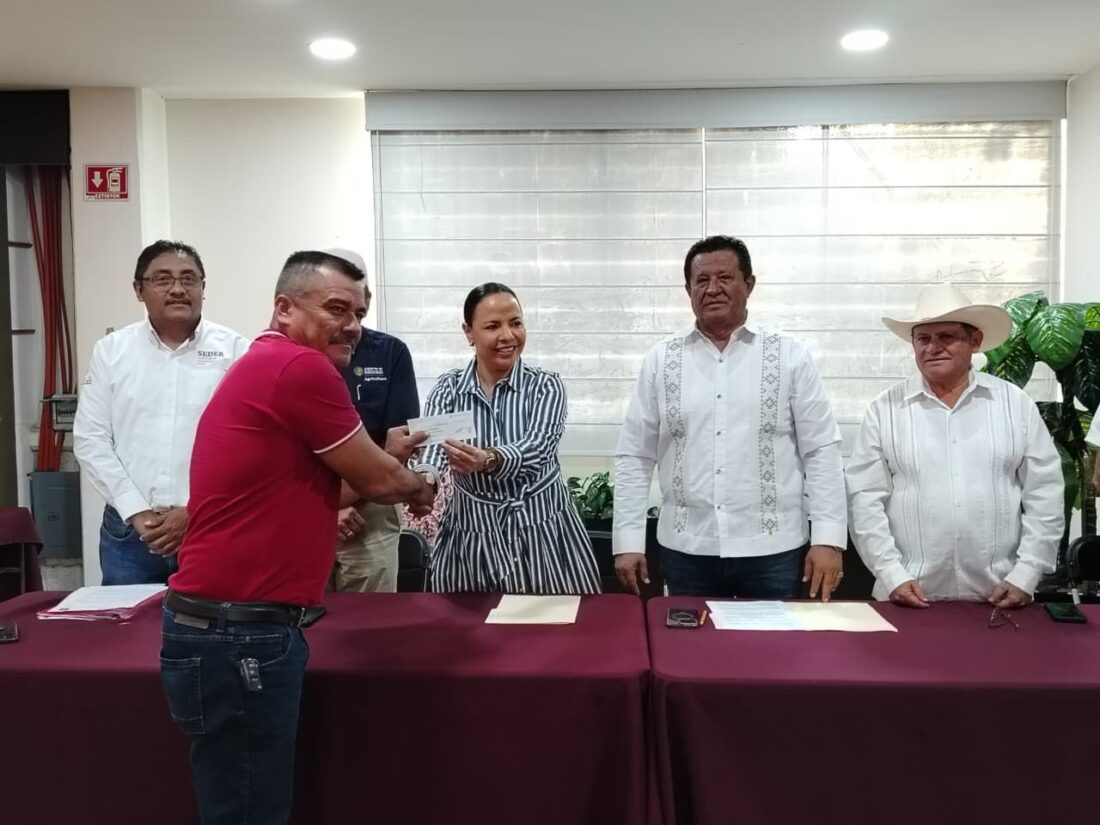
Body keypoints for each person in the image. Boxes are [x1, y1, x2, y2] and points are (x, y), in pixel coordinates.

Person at [160, 250, 434, 825]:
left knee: (243, 801)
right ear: (284, 308)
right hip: (241, 633)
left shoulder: (267, 363)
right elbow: (379, 481)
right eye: (336, 308)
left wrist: (389, 467)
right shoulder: (299, 368)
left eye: (359, 313)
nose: (352, 326)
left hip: (227, 627)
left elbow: (326, 491)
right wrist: (418, 485)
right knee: (249, 809)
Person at [613, 235, 847, 600]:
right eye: (702, 280)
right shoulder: (661, 359)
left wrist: (828, 540)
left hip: (773, 550)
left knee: (773, 638)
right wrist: (628, 541)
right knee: (686, 638)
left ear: (749, 284)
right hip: (686, 549)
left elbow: (821, 451)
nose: (712, 289)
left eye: (725, 278)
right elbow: (635, 455)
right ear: (688, 289)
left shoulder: (790, 356)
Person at [846, 282, 1064, 608]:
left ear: (975, 341)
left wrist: (1026, 575)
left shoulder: (1014, 405)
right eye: (923, 339)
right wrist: (891, 574)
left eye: (946, 337)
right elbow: (864, 499)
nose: (932, 348)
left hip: (999, 596)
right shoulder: (885, 409)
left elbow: (1044, 494)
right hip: (908, 594)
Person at [73, 240, 249, 585]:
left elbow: (248, 446)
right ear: (139, 289)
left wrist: (194, 511)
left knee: (211, 619)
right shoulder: (111, 351)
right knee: (129, 620)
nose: (178, 289)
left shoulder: (236, 351)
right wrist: (137, 511)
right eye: (163, 279)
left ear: (203, 287)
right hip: (131, 533)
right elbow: (91, 439)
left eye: (189, 279)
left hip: (211, 525)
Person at [414, 282, 600, 594]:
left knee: (554, 621)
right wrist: (425, 480)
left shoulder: (546, 386)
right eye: (492, 326)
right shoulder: (449, 389)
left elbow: (539, 447)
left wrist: (489, 459)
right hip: (471, 538)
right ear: (469, 332)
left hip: (543, 535)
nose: (508, 336)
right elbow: (432, 445)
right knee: (469, 622)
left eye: (515, 323)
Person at [323, 248, 421, 593]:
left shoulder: (390, 352)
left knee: (371, 618)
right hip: (307, 509)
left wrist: (345, 499)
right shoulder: (297, 355)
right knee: (305, 614)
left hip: (373, 512)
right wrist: (328, 509)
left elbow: (401, 444)